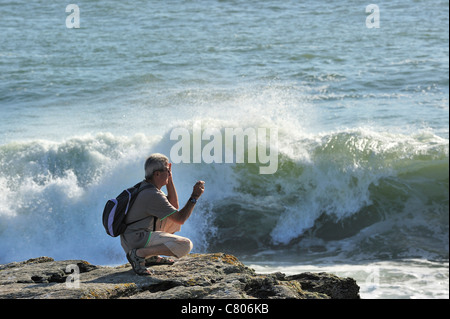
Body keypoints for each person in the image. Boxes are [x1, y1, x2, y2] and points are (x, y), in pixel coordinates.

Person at [121, 153, 205, 276]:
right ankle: (140, 254)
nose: (170, 173)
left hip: (132, 237)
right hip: (137, 238)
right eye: (167, 170)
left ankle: (151, 256)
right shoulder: (153, 194)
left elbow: (173, 206)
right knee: (185, 245)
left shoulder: (146, 187)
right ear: (157, 174)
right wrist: (194, 197)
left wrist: (169, 178)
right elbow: (181, 218)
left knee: (172, 221)